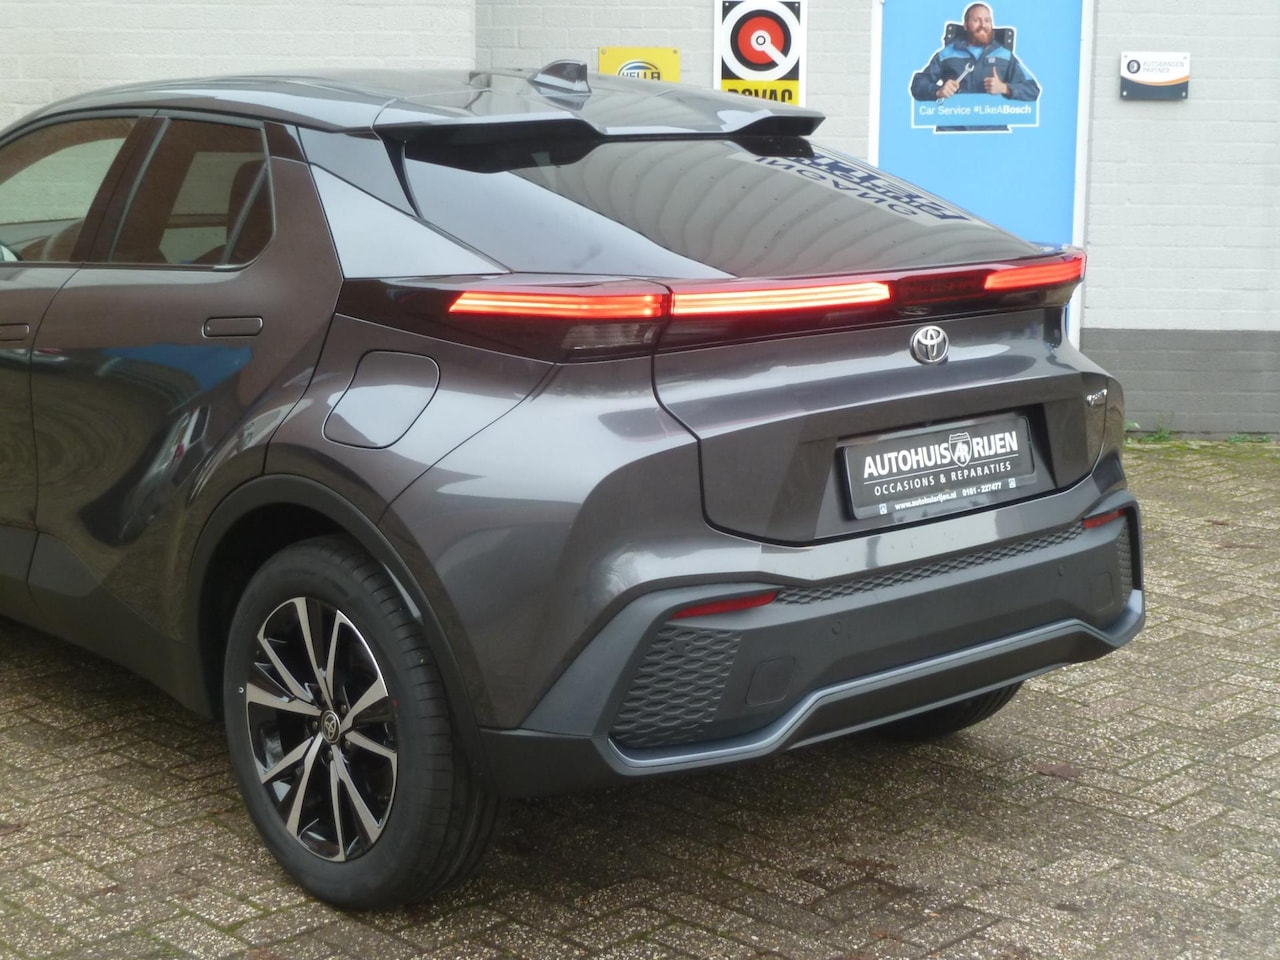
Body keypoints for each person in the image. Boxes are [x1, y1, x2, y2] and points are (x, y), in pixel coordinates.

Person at [910, 3, 1040, 103]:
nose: (983, 25)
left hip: (993, 127)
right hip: (953, 125)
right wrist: (938, 91)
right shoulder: (947, 54)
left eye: (987, 20)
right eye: (977, 20)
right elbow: (917, 85)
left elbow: (1033, 90)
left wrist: (1005, 88)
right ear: (966, 25)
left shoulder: (1004, 55)